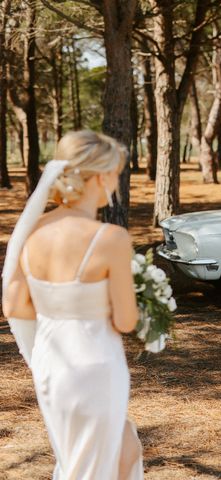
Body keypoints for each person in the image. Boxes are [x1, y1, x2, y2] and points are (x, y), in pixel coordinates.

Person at [2, 130, 144, 479]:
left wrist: (61, 309)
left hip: (51, 362)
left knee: (119, 450)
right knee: (89, 468)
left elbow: (16, 305)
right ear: (100, 177)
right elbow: (126, 321)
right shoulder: (111, 239)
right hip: (96, 364)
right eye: (115, 174)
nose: (116, 182)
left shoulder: (31, 231)